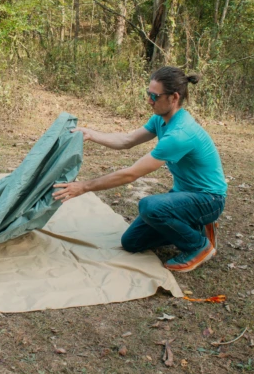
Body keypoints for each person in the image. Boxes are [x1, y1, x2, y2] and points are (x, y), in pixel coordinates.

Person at [52, 66, 227, 272]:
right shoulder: (161, 120)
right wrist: (91, 134)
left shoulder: (180, 134)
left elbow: (131, 174)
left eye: (155, 96)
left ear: (174, 98)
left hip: (209, 199)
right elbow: (127, 140)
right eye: (148, 94)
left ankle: (200, 246)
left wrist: (83, 187)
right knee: (131, 242)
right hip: (184, 194)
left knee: (150, 207)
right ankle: (196, 227)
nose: (149, 100)